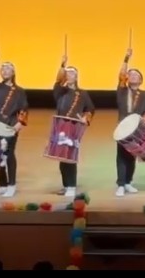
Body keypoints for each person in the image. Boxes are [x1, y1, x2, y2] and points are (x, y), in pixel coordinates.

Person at [0, 48, 29, 198]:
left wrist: (20, 123)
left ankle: (12, 185)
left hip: (10, 126)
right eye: (3, 68)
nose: (5, 70)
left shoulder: (19, 91)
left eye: (8, 68)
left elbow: (24, 108)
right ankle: (2, 185)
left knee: (9, 154)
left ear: (13, 72)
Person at [52, 61, 95, 198]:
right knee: (61, 157)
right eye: (67, 73)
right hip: (60, 126)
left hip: (73, 127)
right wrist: (62, 66)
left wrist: (85, 118)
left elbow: (90, 109)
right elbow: (58, 80)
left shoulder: (82, 93)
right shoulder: (60, 91)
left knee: (70, 156)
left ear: (76, 77)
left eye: (72, 73)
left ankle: (71, 186)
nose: (69, 75)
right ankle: (66, 185)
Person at [115, 48, 145, 197]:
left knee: (132, 156)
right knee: (121, 156)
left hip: (136, 129)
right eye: (130, 74)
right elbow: (121, 75)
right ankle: (120, 184)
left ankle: (128, 182)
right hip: (122, 128)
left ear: (141, 80)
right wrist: (126, 59)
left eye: (136, 74)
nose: (132, 75)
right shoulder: (123, 91)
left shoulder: (143, 94)